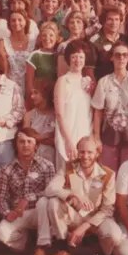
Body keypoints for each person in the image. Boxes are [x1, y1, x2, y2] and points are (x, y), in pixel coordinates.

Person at [31, 136, 115, 255]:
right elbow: (50, 189)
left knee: (117, 242)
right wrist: (71, 195)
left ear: (97, 153)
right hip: (75, 215)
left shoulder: (108, 174)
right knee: (52, 202)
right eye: (82, 152)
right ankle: (64, 248)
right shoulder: (69, 167)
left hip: (96, 218)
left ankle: (95, 247)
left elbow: (107, 209)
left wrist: (85, 226)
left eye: (90, 152)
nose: (85, 156)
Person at [89, 42, 128, 169]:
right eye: (117, 55)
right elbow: (98, 112)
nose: (121, 58)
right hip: (108, 137)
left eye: (124, 55)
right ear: (112, 57)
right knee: (108, 173)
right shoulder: (104, 82)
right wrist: (97, 138)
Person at [53, 40, 94, 168]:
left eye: (81, 57)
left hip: (84, 133)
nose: (78, 60)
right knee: (67, 177)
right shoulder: (63, 81)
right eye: (74, 57)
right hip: (67, 135)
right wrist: (69, 141)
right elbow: (59, 114)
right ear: (68, 59)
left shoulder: (87, 82)